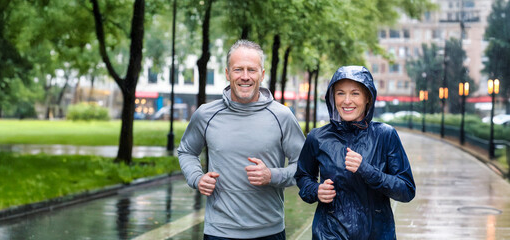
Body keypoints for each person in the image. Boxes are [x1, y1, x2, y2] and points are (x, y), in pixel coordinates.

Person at [178, 39, 305, 240]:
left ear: (262, 75)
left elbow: (305, 166)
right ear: (227, 74)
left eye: (251, 70)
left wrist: (272, 175)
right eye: (238, 70)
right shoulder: (206, 114)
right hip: (219, 232)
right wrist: (196, 177)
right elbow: (186, 151)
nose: (245, 77)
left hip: (269, 231)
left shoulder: (282, 116)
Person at [294, 66, 416, 240]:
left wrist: (367, 171)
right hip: (328, 234)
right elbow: (303, 176)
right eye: (340, 93)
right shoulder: (317, 137)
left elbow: (406, 190)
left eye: (355, 93)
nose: (347, 101)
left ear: (368, 98)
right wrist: (316, 190)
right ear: (332, 96)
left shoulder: (385, 135)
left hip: (376, 234)